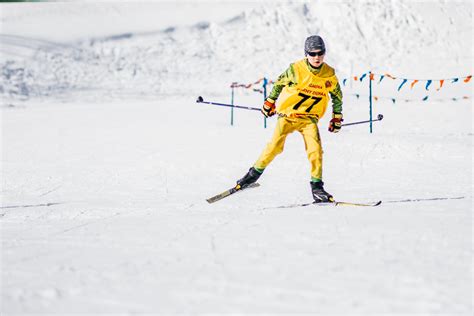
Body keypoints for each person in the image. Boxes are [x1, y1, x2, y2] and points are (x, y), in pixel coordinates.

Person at [236, 35, 343, 203]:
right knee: (275, 146)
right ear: (306, 54)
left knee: (315, 151)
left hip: (309, 119)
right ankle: (251, 176)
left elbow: (337, 96)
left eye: (320, 53)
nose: (317, 57)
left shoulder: (328, 74)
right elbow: (279, 83)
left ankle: (317, 188)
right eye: (312, 53)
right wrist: (269, 103)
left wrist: (337, 118)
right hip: (288, 116)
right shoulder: (296, 69)